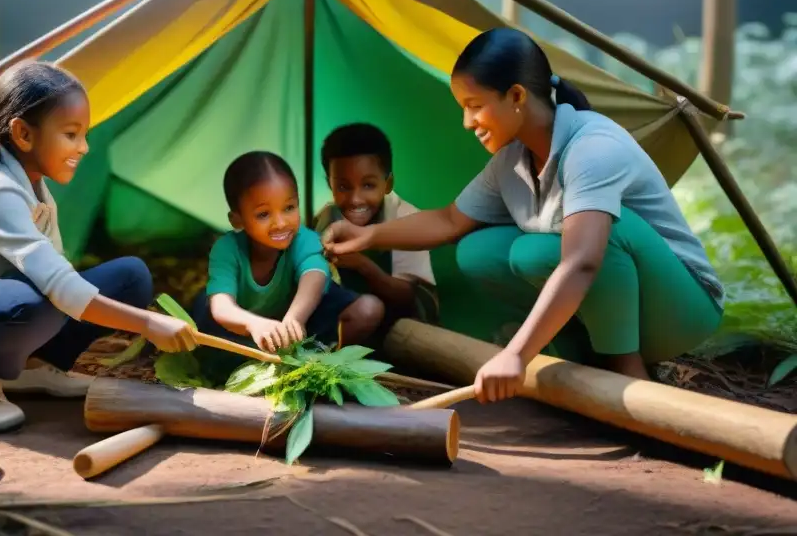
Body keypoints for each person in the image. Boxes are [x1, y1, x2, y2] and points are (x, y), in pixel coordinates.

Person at [321, 28, 724, 404]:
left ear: (516, 96)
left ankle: (627, 370)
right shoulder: (511, 161)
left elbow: (583, 263)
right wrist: (368, 238)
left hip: (679, 308)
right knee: (480, 249)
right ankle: (576, 352)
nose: (467, 122)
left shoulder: (592, 148)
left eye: (474, 107)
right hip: (615, 304)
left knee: (583, 241)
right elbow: (448, 222)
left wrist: (515, 355)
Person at [0, 61, 197, 433]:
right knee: (38, 302)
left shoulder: (35, 189)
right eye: (71, 134)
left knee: (130, 276)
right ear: (23, 134)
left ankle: (31, 368)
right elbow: (61, 288)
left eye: (84, 135)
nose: (84, 147)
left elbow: (59, 271)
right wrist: (148, 323)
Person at [192, 151, 384, 354]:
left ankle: (322, 357)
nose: (281, 223)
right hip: (242, 330)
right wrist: (255, 325)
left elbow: (314, 276)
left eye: (289, 207)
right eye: (263, 214)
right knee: (205, 328)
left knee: (368, 309)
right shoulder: (226, 249)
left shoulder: (305, 239)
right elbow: (222, 307)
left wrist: (294, 319)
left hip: (298, 325)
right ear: (237, 219)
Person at [313, 122, 438, 327]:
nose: (356, 199)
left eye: (368, 185)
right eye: (343, 186)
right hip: (356, 315)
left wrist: (361, 264)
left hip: (405, 320)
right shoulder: (328, 216)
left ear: (387, 184)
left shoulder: (406, 220)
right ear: (330, 184)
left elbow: (406, 297)